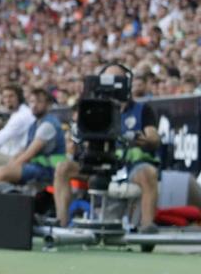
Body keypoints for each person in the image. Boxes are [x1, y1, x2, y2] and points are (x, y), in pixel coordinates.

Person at [53, 66, 161, 232]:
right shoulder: (91, 107)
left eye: (118, 79)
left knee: (149, 173)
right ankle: (61, 224)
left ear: (127, 83)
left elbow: (154, 137)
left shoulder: (142, 110)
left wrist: (141, 139)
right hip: (95, 162)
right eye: (108, 79)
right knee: (63, 168)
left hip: (128, 165)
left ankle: (147, 228)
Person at [0, 89, 65, 187]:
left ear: (48, 105)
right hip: (36, 166)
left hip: (48, 169)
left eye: (39, 102)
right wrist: (12, 161)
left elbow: (29, 154)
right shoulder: (35, 124)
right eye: (32, 102)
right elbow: (23, 150)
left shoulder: (48, 124)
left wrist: (10, 167)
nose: (34, 105)